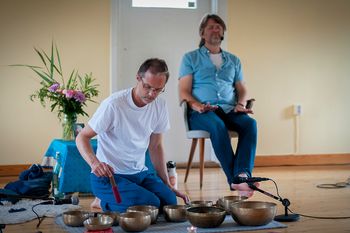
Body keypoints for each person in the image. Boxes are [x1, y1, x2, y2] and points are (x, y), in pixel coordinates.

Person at [77, 58, 188, 212]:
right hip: (110, 177)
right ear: (138, 78)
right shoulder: (114, 105)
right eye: (147, 87)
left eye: (157, 90)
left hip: (140, 173)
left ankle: (120, 200)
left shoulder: (160, 105)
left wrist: (167, 184)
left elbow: (155, 146)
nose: (151, 94)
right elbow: (82, 137)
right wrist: (95, 163)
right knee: (151, 205)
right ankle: (101, 202)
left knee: (169, 202)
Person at [178, 14, 258, 197]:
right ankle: (236, 181)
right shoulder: (190, 58)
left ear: (223, 33)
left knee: (250, 124)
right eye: (211, 27)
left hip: (230, 108)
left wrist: (240, 103)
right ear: (202, 33)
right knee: (217, 125)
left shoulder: (234, 60)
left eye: (219, 27)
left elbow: (242, 88)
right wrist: (197, 105)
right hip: (202, 111)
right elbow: (184, 90)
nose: (216, 29)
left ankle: (242, 173)